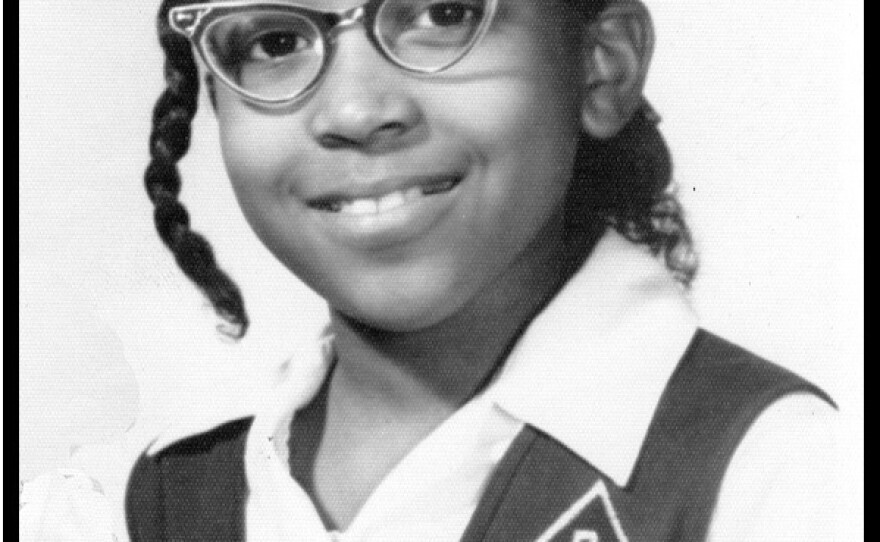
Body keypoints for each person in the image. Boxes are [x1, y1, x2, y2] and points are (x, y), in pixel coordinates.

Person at [126, 0, 837, 540]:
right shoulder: (148, 500)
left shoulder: (779, 479)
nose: (356, 110)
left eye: (444, 13)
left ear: (601, 67)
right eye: (273, 41)